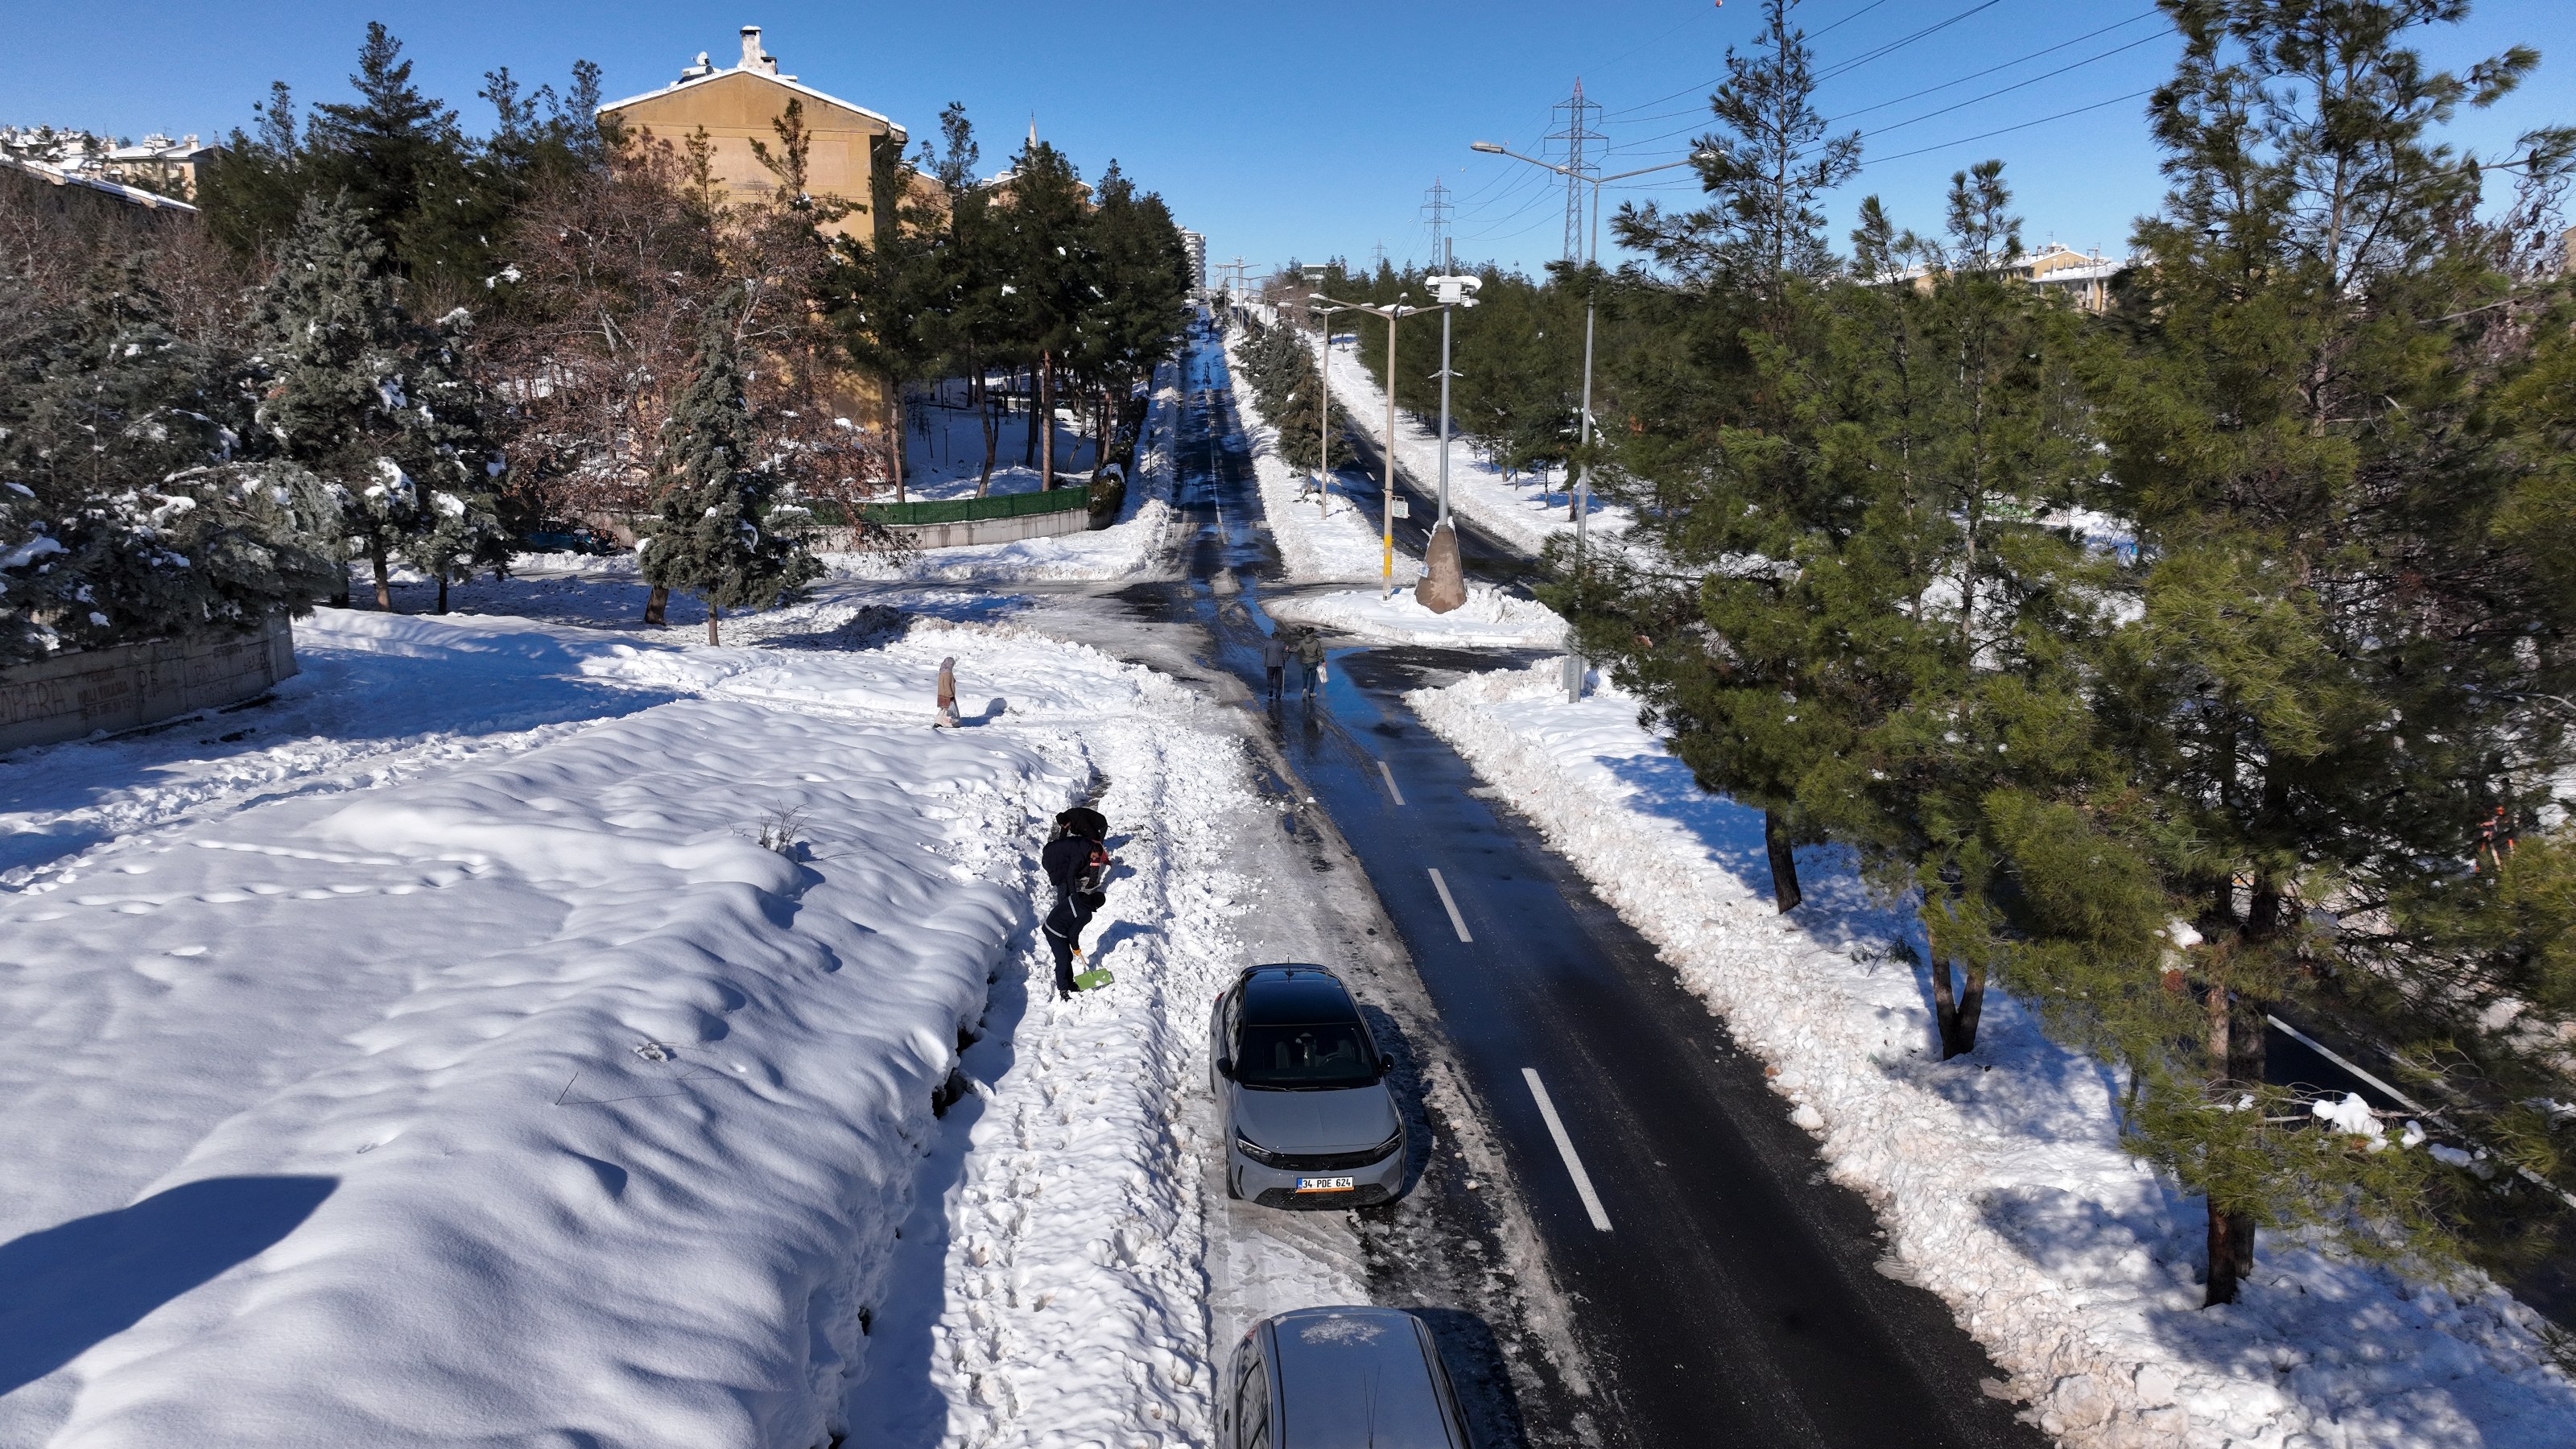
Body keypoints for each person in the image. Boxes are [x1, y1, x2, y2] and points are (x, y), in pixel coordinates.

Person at [1040, 807, 1112, 999]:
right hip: (1054, 930)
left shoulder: (1080, 898)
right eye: (1095, 858)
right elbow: (1073, 932)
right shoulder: (1085, 914)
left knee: (1067, 957)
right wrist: (1076, 947)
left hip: (1056, 923)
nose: (1095, 860)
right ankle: (1063, 989)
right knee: (1064, 959)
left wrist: (1072, 898)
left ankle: (1070, 983)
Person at [1296, 630, 1327, 701]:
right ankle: (1311, 692)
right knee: (1313, 678)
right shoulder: (1316, 642)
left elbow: (1297, 650)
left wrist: (1288, 650)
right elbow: (1319, 653)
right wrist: (1323, 661)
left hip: (1305, 662)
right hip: (1314, 662)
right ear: (1312, 633)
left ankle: (1304, 689)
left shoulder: (1302, 642)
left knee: (1305, 677)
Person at [1261, 631, 1287, 702]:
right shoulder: (1282, 643)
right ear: (1278, 636)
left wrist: (1264, 662)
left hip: (1270, 663)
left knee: (1270, 677)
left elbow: (1265, 653)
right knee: (1278, 678)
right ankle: (1278, 692)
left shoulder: (1267, 643)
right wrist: (1285, 659)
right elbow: (1286, 651)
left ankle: (1270, 690)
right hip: (1279, 663)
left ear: (1272, 637)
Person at [935, 656, 960, 729]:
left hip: (942, 694)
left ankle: (938, 722)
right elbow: (947, 684)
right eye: (952, 664)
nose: (952, 666)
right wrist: (951, 695)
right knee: (949, 710)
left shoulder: (942, 671)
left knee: (943, 709)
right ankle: (950, 724)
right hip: (947, 694)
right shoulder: (948, 673)